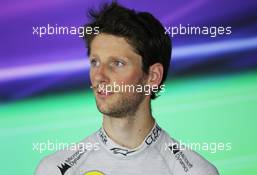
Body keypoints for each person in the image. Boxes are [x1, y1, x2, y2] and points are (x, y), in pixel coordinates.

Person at [35, 2, 219, 175]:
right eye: (95, 62)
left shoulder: (194, 171)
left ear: (153, 76)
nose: (99, 76)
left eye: (117, 63)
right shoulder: (55, 169)